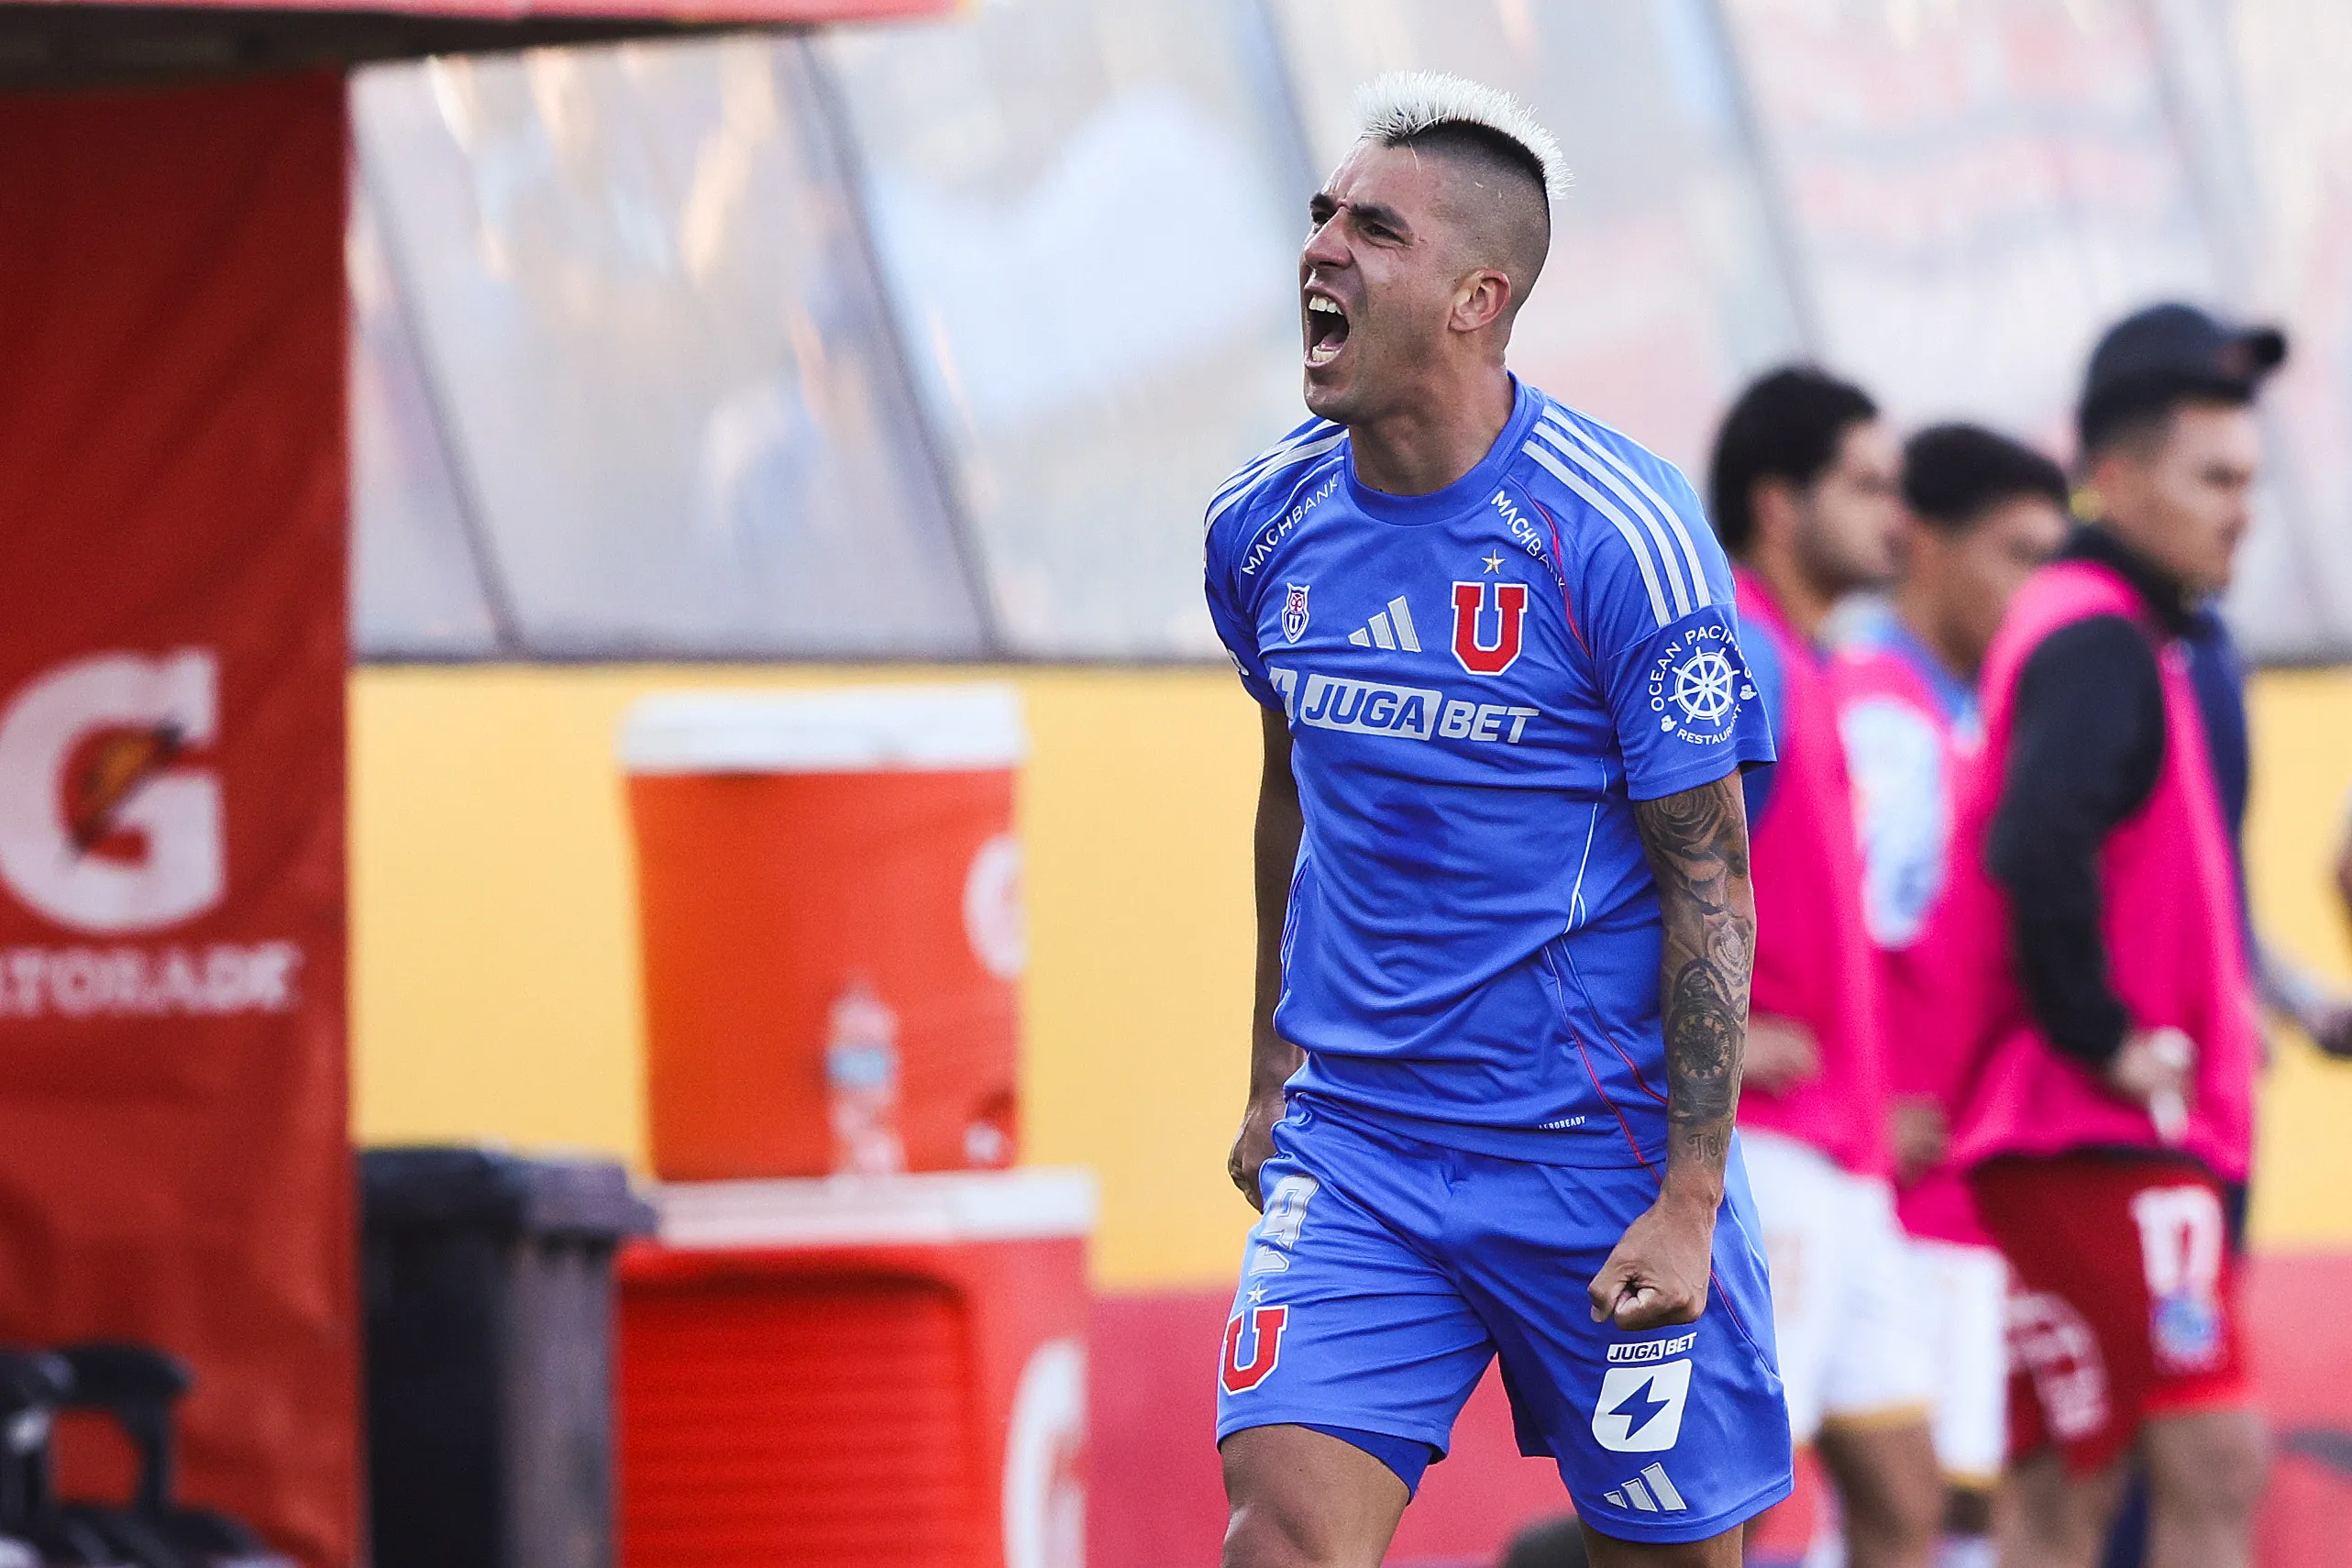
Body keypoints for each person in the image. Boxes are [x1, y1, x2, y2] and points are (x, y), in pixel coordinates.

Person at [1202, 72, 1790, 1568]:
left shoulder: (1622, 540)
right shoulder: (1261, 527)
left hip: (1594, 1159)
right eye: (1323, 214)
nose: (1322, 248)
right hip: (1361, 1149)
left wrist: (1688, 1198)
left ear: (1479, 300)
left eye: (1374, 230)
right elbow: (1293, 792)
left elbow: (1710, 885)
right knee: (1278, 1537)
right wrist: (1270, 1069)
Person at [1924, 302, 2282, 1568]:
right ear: (2117, 479)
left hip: (2056, 1137)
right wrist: (2107, 1035)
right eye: (2214, 479)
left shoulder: (2105, 629)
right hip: (2098, 1133)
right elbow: (2035, 845)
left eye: (2250, 478)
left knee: (2061, 1491)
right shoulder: (2097, 635)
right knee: (2213, 1460)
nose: (2244, 510)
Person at [1705, 368, 1942, 1568]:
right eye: (1866, 486)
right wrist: (1707, 1034)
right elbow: (1604, 864)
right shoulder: (1736, 654)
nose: (1897, 517)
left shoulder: (1803, 662)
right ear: (1778, 503)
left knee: (1905, 1500)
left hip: (1839, 1151)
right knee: (1726, 1507)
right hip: (1761, 1151)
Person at [1832, 425, 2071, 1567]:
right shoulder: (1882, 716)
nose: (2038, 590)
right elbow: (1820, 929)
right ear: (1923, 546)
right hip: (1901, 1182)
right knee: (1915, 1513)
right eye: (2018, 554)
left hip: (1951, 1180)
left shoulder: (1957, 712)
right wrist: (1861, 1107)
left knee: (1947, 1512)